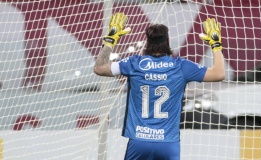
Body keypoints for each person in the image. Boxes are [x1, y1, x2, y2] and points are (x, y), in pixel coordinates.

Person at [94, 12, 225, 160]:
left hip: (139, 140)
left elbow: (99, 68)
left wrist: (110, 40)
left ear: (147, 42)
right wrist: (215, 45)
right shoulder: (182, 67)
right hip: (168, 142)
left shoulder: (134, 64)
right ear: (168, 41)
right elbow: (219, 73)